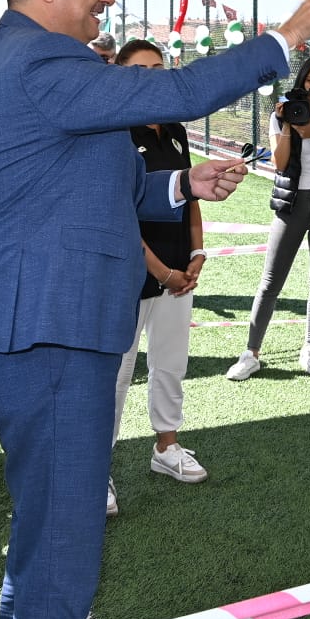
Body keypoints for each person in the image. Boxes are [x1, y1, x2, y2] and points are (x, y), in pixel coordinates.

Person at [0, 0, 310, 619]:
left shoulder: (22, 58)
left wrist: (180, 186)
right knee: (63, 543)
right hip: (51, 331)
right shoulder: (42, 58)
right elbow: (176, 93)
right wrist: (281, 40)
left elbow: (73, 187)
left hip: (47, 326)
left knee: (47, 534)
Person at [108, 40, 207, 518]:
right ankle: (93, 470)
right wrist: (162, 272)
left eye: (158, 68)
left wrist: (196, 255)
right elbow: (118, 214)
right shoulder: (109, 132)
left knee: (170, 364)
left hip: (177, 274)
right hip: (129, 274)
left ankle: (166, 448)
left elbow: (189, 196)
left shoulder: (173, 130)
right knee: (115, 375)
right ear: (121, 74)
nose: (152, 76)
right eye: (140, 69)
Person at [226, 55, 310, 381]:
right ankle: (251, 353)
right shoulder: (282, 114)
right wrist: (291, 125)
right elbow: (279, 163)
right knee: (270, 283)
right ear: (301, 81)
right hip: (291, 204)